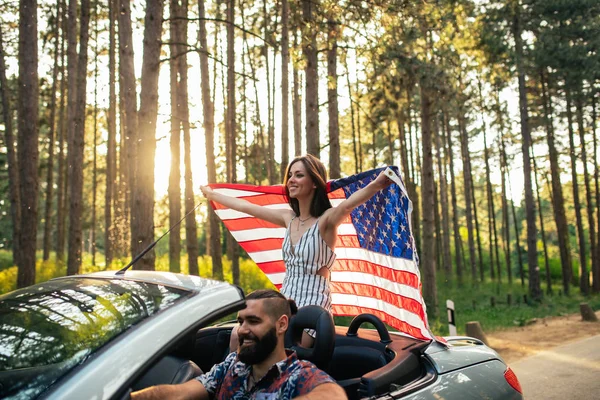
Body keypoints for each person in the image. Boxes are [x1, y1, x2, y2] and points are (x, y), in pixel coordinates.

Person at [201, 155, 392, 346]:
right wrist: (213, 195)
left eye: (299, 175)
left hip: (313, 305)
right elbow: (247, 207)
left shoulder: (326, 220)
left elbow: (348, 205)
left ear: (315, 182)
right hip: (284, 302)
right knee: (238, 336)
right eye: (290, 175)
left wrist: (378, 183)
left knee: (290, 350)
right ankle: (233, 375)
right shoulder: (288, 218)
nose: (291, 180)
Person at [130, 289, 347, 400]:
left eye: (253, 321)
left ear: (281, 325)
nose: (242, 329)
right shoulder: (232, 365)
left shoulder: (299, 375)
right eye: (240, 321)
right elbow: (180, 393)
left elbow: (333, 395)